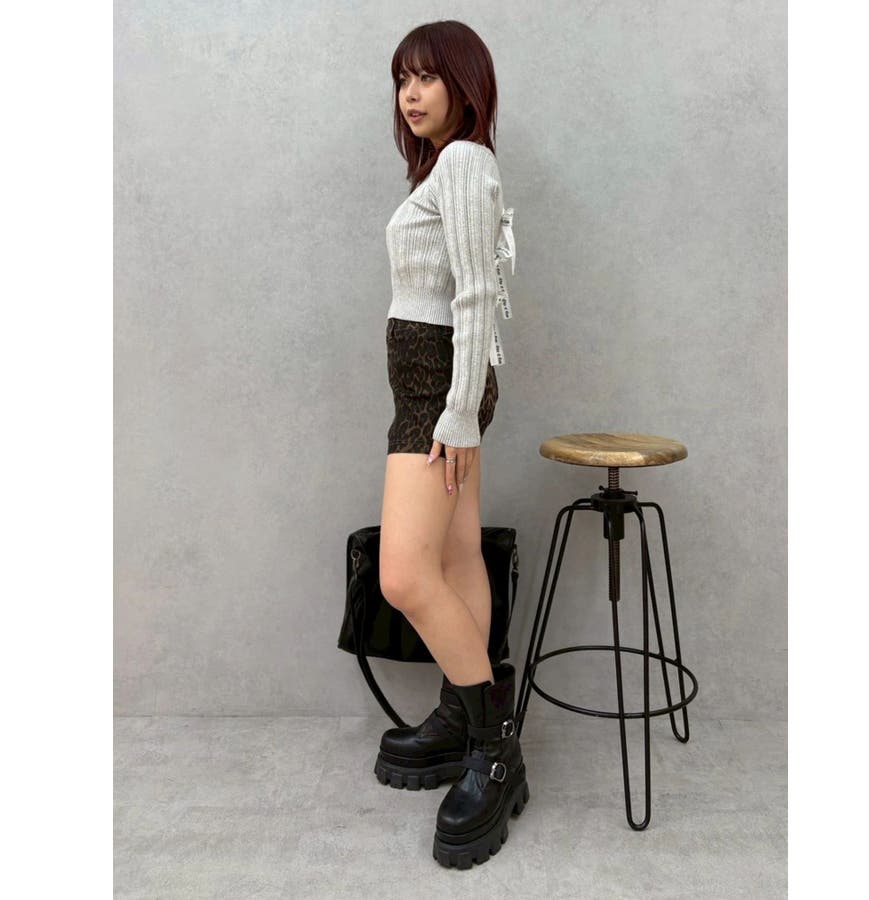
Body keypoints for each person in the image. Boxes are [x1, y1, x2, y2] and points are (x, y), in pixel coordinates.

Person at [374, 20, 529, 869]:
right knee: (459, 552)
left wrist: (458, 410)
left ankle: (494, 746)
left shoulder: (465, 161)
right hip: (433, 386)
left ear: (465, 84)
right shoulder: (444, 167)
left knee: (405, 574)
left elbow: (473, 295)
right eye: (403, 77)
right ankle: (459, 717)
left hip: (441, 389)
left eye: (429, 76)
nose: (412, 92)